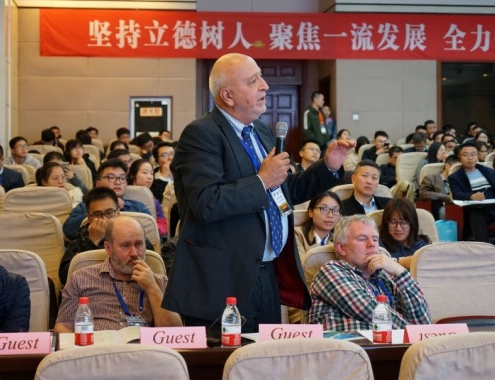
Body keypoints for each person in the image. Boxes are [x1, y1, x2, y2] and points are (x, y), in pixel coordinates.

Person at [163, 53, 352, 332]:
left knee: (264, 356)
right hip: (221, 280)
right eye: (253, 81)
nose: (265, 85)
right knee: (223, 358)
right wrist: (261, 181)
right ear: (228, 95)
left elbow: (285, 190)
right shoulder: (201, 134)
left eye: (261, 77)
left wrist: (327, 167)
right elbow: (206, 202)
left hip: (267, 272)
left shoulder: (261, 131)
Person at [55, 216, 182, 331]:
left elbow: (175, 334)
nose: (134, 253)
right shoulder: (80, 279)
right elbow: (63, 327)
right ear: (108, 248)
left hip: (143, 348)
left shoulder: (160, 282)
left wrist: (152, 288)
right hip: (98, 347)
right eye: (125, 245)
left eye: (138, 244)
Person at [308, 215, 431, 331]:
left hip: (392, 345)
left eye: (375, 239)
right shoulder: (331, 271)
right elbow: (372, 313)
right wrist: (415, 332)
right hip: (347, 346)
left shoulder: (384, 277)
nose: (372, 244)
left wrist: (400, 272)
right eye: (362, 239)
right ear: (341, 248)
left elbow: (423, 322)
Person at [59, 188, 154, 285]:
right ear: (89, 218)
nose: (104, 219)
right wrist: (91, 243)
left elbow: (153, 266)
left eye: (109, 212)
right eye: (97, 214)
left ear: (118, 213)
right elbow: (66, 277)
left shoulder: (134, 237)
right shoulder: (80, 241)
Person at [448, 143, 495, 264]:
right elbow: (456, 194)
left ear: (478, 156)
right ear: (459, 157)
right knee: (476, 215)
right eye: (465, 155)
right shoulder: (455, 177)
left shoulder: (488, 171)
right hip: (477, 210)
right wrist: (471, 196)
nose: (470, 158)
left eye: (473, 154)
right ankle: (486, 257)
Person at [63, 159, 151, 240]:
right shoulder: (84, 207)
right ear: (98, 184)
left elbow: (151, 237)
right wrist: (96, 213)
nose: (118, 182)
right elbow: (68, 230)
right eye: (111, 177)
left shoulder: (139, 208)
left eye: (122, 178)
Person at [379, 198, 431, 269]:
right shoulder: (379, 247)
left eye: (404, 222)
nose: (398, 228)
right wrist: (401, 262)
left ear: (412, 223)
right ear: (386, 223)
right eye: (393, 222)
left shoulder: (422, 246)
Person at [294, 191, 342, 262]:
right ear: (310, 212)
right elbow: (302, 266)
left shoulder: (340, 238)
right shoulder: (297, 234)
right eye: (324, 209)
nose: (330, 215)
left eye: (335, 210)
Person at [128, 159, 168, 239]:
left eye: (151, 173)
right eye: (145, 172)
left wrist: (153, 230)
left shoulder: (153, 199)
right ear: (133, 176)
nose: (150, 177)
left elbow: (162, 222)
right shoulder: (123, 195)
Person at [419, 155, 458, 220]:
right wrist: (446, 197)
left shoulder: (459, 180)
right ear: (447, 166)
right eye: (455, 168)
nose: (457, 171)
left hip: (458, 205)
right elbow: (423, 193)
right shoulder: (431, 178)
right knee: (446, 211)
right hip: (441, 207)